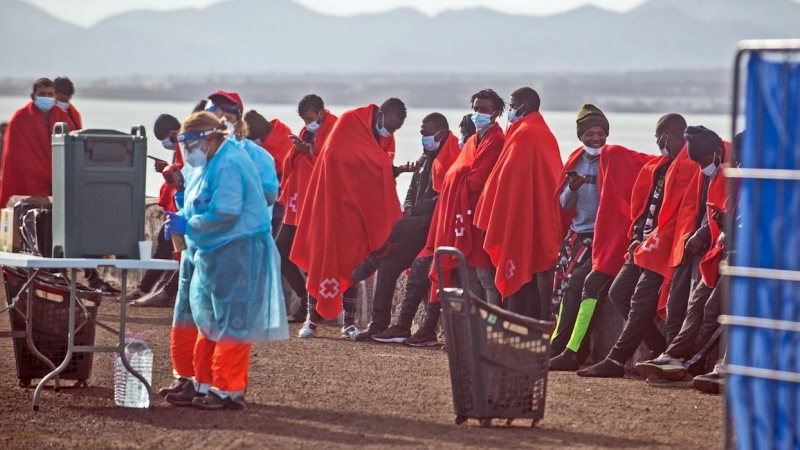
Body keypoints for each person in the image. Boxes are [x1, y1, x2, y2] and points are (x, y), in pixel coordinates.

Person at [160, 111, 287, 410]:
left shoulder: (229, 162)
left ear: (210, 138)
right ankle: (205, 384)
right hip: (217, 249)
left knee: (233, 323)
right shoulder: (213, 160)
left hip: (238, 248)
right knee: (211, 321)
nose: (188, 151)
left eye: (191, 143)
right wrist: (184, 215)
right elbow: (203, 200)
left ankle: (227, 389)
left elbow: (227, 210)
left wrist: (189, 225)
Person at [577, 113, 698, 378]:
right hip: (642, 245)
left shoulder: (691, 166)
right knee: (618, 291)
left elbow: (686, 213)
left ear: (667, 135)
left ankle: (616, 360)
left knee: (641, 300)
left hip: (665, 247)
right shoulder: (660, 166)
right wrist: (634, 238)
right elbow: (645, 209)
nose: (657, 142)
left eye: (658, 137)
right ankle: (658, 348)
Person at [291, 98, 407, 339]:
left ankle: (349, 322)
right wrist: (379, 164)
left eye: (395, 130)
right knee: (321, 260)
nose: (390, 133)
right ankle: (312, 320)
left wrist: (393, 169)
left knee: (353, 262)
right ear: (380, 114)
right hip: (332, 205)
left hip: (359, 210)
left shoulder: (385, 136)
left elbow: (379, 169)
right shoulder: (349, 121)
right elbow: (334, 156)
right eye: (390, 126)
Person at [548, 105, 654, 371]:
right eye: (590, 134)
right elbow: (563, 204)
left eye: (601, 133)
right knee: (566, 288)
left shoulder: (616, 158)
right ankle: (558, 347)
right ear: (580, 136)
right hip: (578, 236)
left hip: (607, 241)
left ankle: (572, 351)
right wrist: (571, 190)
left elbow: (649, 165)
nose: (596, 138)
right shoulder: (574, 161)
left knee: (582, 283)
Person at [635, 126, 733, 384]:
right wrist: (703, 232)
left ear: (718, 152)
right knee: (694, 304)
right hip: (717, 249)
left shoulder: (734, 171)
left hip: (734, 253)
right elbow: (708, 211)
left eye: (703, 162)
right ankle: (673, 354)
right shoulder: (715, 170)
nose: (702, 168)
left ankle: (685, 365)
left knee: (713, 310)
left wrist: (718, 228)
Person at [351, 112, 461, 342]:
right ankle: (378, 323)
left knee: (401, 227)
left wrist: (416, 209)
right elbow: (411, 190)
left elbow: (446, 198)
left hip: (435, 225)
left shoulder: (452, 157)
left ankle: (374, 257)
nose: (423, 138)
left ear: (440, 132)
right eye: (421, 133)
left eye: (426, 134)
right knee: (389, 265)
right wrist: (410, 205)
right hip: (417, 228)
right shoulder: (425, 158)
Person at [475, 87, 562, 319]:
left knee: (523, 281)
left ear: (524, 106)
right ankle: (520, 332)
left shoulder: (527, 134)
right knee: (527, 280)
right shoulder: (536, 131)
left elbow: (510, 178)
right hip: (530, 216)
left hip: (523, 219)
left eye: (512, 106)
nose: (510, 110)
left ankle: (517, 333)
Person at [426, 89, 506, 308]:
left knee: (485, 277)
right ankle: (474, 333)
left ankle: (490, 332)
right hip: (464, 217)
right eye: (476, 109)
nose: (478, 114)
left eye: (484, 110)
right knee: (470, 277)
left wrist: (457, 179)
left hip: (481, 218)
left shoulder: (496, 140)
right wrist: (459, 178)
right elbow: (459, 174)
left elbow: (476, 181)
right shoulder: (473, 140)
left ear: (496, 113)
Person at [278, 95, 338, 322]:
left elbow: (334, 160)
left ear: (321, 112)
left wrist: (309, 151)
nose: (307, 123)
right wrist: (304, 149)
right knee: (282, 252)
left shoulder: (336, 129)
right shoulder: (306, 132)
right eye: (304, 119)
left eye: (310, 118)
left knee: (314, 258)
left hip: (317, 204)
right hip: (296, 203)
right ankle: (306, 298)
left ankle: (313, 308)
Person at [125, 114, 183, 307]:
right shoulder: (181, 147)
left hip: (181, 211)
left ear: (172, 132)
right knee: (167, 246)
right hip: (175, 210)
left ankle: (161, 292)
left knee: (181, 252)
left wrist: (167, 168)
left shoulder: (185, 146)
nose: (166, 143)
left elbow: (183, 176)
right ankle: (149, 289)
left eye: (165, 139)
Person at [0, 78, 70, 207]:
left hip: (57, 181)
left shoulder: (63, 117)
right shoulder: (20, 118)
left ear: (55, 96)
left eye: (50, 94)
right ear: (33, 96)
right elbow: (15, 157)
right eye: (42, 94)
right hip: (28, 183)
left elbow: (71, 148)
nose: (47, 98)